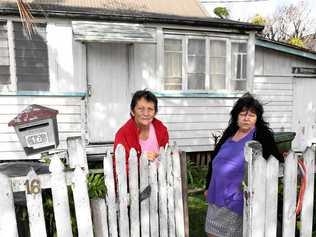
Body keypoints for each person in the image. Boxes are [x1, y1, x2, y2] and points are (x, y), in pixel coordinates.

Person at [204, 93, 283, 237]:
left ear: (257, 118)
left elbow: (276, 163)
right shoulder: (230, 133)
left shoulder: (262, 136)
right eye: (242, 114)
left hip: (237, 198)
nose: (246, 118)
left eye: (251, 115)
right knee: (211, 233)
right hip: (217, 193)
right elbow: (215, 160)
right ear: (236, 116)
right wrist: (207, 185)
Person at [114, 89, 169, 172]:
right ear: (133, 111)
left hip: (160, 180)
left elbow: (166, 156)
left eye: (150, 109)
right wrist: (141, 161)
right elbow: (119, 166)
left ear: (155, 112)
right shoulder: (123, 134)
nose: (146, 113)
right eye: (140, 109)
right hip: (134, 183)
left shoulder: (161, 130)